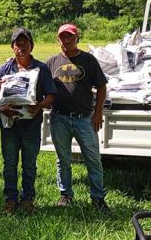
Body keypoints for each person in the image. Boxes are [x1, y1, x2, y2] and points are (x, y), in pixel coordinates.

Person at [45, 23, 110, 213]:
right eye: (63, 37)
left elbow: (102, 87)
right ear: (58, 40)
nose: (67, 40)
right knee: (62, 159)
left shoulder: (88, 60)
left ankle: (98, 198)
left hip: (85, 119)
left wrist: (98, 112)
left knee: (93, 159)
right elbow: (40, 82)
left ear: (77, 38)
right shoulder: (51, 62)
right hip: (59, 118)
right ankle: (65, 195)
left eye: (70, 37)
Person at [0, 27, 56, 214]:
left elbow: (51, 95)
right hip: (9, 125)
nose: (21, 48)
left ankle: (27, 199)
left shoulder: (41, 68)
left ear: (31, 45)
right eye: (17, 45)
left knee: (29, 163)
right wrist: (1, 107)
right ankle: (10, 200)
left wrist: (38, 106)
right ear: (12, 47)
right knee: (10, 163)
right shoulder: (4, 69)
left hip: (31, 125)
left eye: (25, 44)